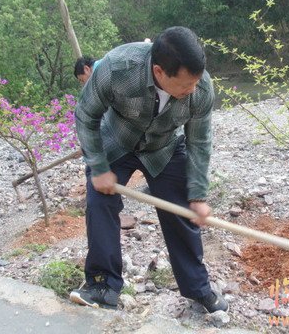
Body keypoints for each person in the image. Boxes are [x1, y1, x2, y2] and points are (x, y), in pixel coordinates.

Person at [70, 26, 228, 313]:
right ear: (159, 71)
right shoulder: (117, 68)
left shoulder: (201, 88)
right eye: (185, 85)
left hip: (163, 147)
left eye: (195, 82)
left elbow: (199, 142)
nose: (192, 89)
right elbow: (86, 114)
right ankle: (102, 286)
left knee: (182, 211)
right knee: (99, 203)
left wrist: (198, 194)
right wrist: (98, 166)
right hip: (116, 142)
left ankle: (198, 289)